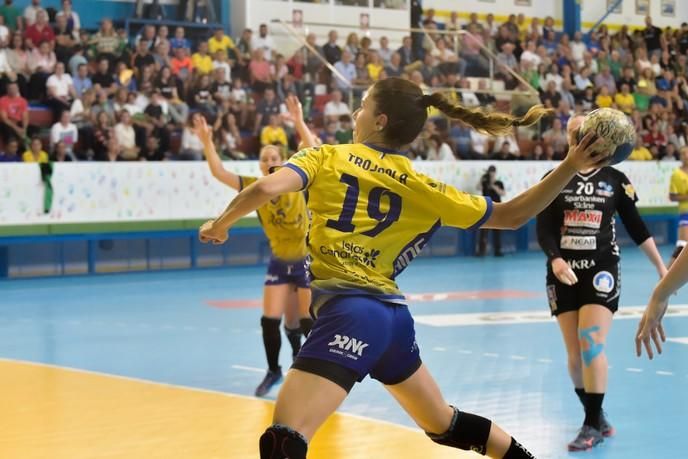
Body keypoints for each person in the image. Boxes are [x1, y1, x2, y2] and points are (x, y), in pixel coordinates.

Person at [198, 77, 609, 459]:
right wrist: (569, 165)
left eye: (361, 106)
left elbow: (267, 186)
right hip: (393, 320)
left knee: (283, 440)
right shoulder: (422, 186)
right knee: (445, 424)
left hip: (350, 311)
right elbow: (512, 215)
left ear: (379, 120)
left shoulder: (325, 156)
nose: (354, 114)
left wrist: (220, 225)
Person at [536, 115, 667, 451]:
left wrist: (662, 269)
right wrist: (555, 257)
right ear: (570, 137)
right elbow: (544, 227)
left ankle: (591, 424)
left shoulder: (614, 179)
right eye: (576, 131)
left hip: (601, 269)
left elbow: (636, 226)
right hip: (563, 272)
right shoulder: (553, 178)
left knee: (590, 340)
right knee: (574, 355)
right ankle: (595, 415)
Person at [192, 95, 317, 398]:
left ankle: (312, 374)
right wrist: (207, 142)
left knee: (304, 321)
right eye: (265, 159)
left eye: (276, 157)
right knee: (269, 320)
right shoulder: (255, 185)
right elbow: (220, 173)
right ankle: (274, 370)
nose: (271, 162)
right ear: (260, 166)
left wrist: (298, 120)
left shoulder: (298, 179)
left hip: (305, 261)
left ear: (284, 160)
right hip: (279, 261)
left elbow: (314, 149)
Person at [667, 146, 688, 266]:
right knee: (682, 245)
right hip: (686, 213)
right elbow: (672, 197)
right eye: (683, 154)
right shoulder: (676, 174)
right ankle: (665, 273)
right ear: (680, 157)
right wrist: (687, 196)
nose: (686, 156)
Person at [477, 166, 505, 257]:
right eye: (490, 172)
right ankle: (481, 251)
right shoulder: (485, 182)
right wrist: (481, 180)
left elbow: (503, 193)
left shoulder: (498, 183)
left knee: (497, 231)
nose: (491, 174)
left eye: (493, 172)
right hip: (486, 208)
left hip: (497, 208)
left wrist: (494, 186)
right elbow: (478, 187)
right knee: (484, 231)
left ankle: (498, 250)